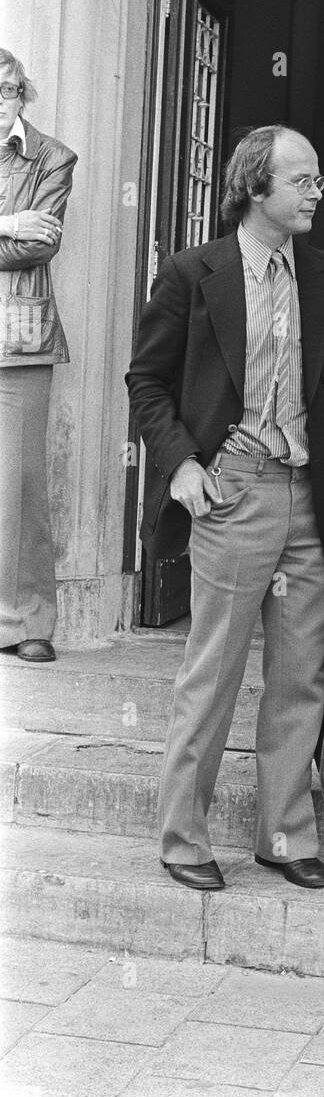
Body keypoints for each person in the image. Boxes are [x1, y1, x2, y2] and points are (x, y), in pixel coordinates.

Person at [127, 125, 324, 893]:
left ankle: (283, 835)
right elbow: (147, 382)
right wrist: (182, 469)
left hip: (309, 500)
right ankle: (182, 840)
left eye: (319, 179)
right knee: (214, 672)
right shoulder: (192, 274)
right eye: (301, 180)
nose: (316, 192)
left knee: (300, 677)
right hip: (231, 493)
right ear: (254, 187)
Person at [0, 49, 77, 663]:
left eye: (6, 91)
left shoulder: (53, 157)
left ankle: (29, 624)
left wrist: (18, 230)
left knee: (20, 485)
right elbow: (14, 234)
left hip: (18, 339)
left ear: (23, 94)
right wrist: (5, 221)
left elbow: (37, 245)